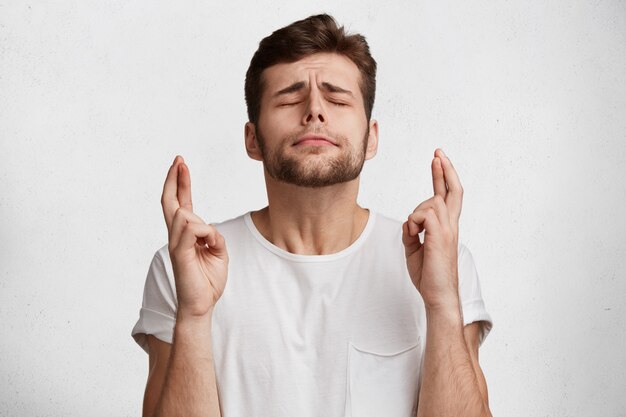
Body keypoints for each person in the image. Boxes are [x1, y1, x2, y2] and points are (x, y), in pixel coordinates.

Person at [131, 13, 493, 417]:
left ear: (371, 137)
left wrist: (442, 302)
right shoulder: (185, 265)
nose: (315, 111)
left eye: (337, 99)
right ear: (253, 139)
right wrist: (195, 317)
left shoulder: (440, 261)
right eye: (288, 99)